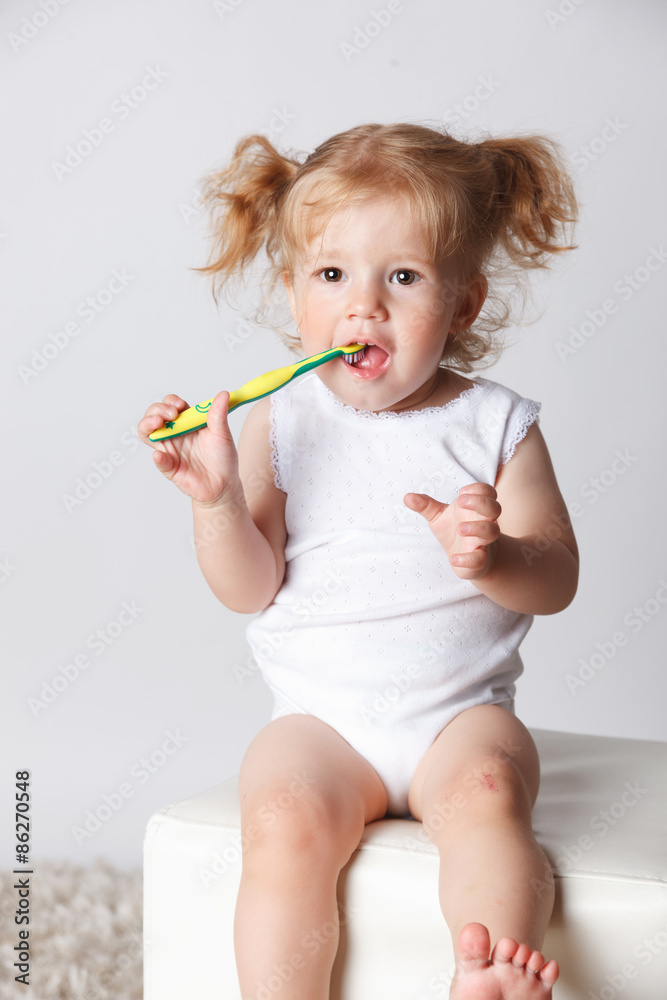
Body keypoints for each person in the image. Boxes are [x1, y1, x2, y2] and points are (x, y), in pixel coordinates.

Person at [138, 121, 579, 1000]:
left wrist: (491, 557)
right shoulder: (282, 421)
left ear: (463, 304)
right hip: (321, 722)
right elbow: (248, 589)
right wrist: (217, 502)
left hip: (460, 716)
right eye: (331, 275)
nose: (362, 307)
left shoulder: (497, 424)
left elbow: (557, 576)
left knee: (491, 796)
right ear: (293, 293)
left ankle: (487, 968)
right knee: (281, 824)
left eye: (402, 278)